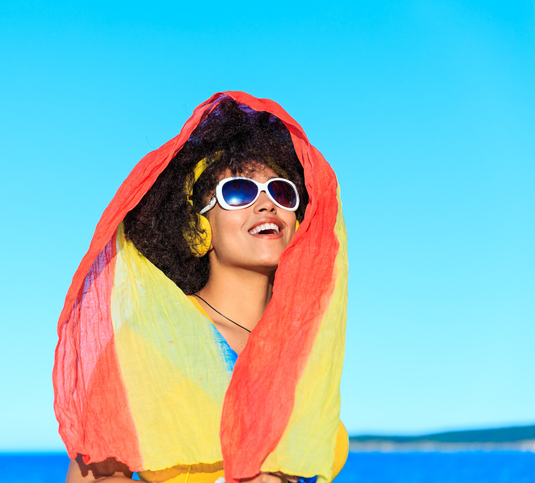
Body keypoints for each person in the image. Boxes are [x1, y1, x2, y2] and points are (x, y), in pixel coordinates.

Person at [55, 93, 349, 483]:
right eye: (239, 192)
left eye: (281, 192)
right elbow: (92, 474)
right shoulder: (157, 338)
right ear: (198, 228)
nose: (266, 205)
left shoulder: (303, 346)